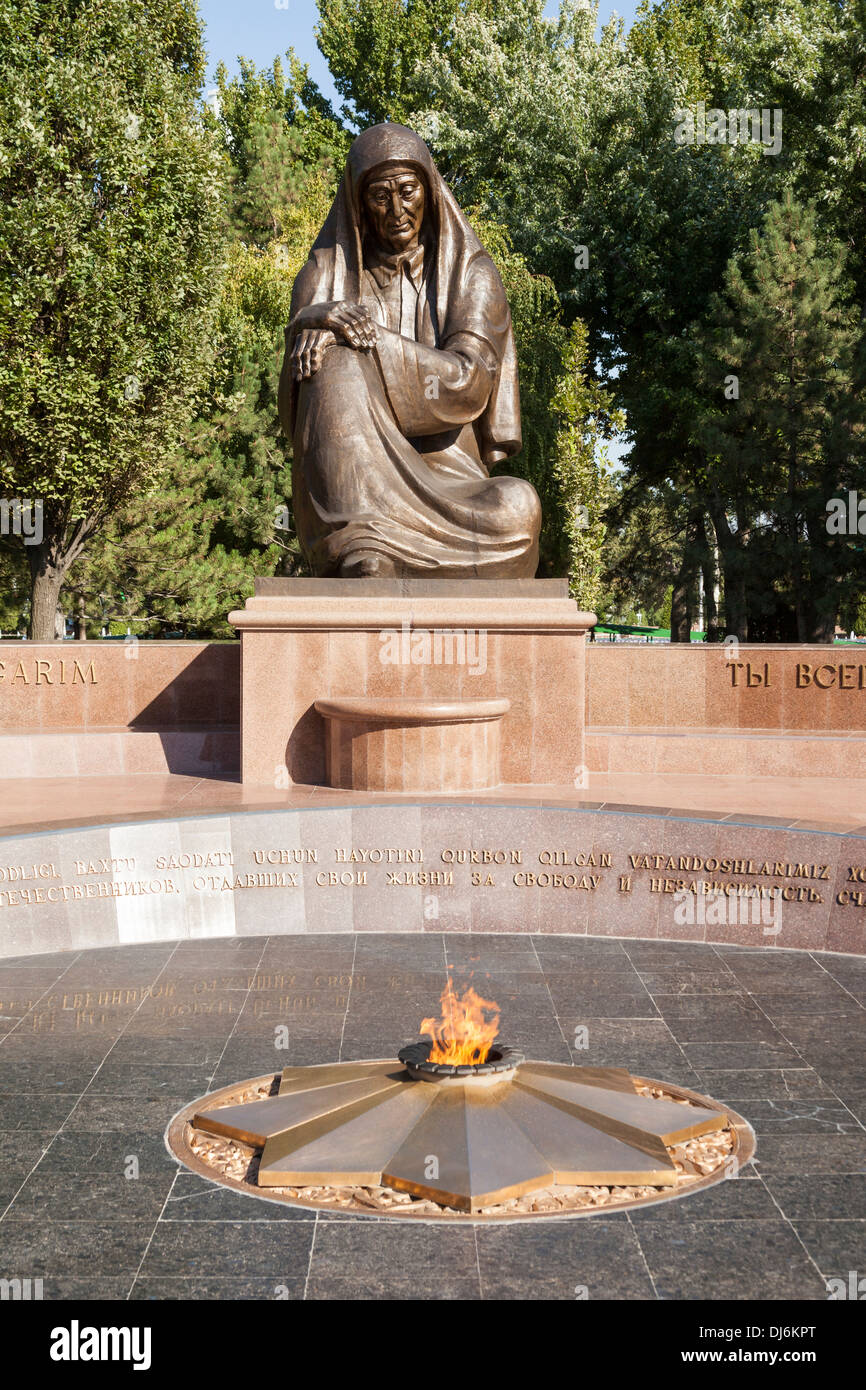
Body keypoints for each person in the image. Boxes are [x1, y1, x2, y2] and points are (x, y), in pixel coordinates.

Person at [278, 122, 541, 578]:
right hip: (354, 489)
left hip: (451, 482)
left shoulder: (471, 274)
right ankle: (362, 544)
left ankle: (384, 550)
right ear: (359, 204)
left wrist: (368, 338)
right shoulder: (324, 274)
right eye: (380, 196)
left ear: (430, 193)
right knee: (330, 358)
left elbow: (468, 383)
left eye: (407, 191)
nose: (396, 210)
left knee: (518, 505)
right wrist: (310, 323)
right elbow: (298, 415)